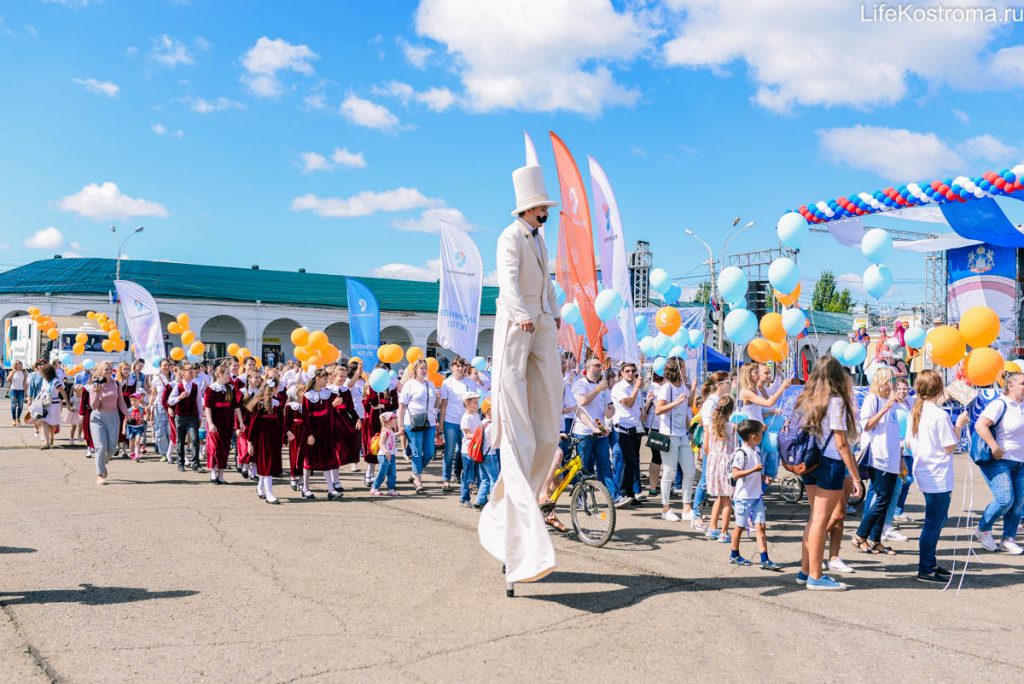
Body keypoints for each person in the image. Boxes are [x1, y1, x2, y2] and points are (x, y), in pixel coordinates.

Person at [479, 162, 561, 588]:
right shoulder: (510, 237)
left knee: (548, 431)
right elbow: (507, 282)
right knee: (516, 417)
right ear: (530, 208)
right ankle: (519, 536)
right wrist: (520, 314)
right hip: (517, 320)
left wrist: (553, 312)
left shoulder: (540, 241)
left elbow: (545, 282)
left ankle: (518, 505)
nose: (546, 212)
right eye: (542, 207)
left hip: (542, 318)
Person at [794, 356, 863, 591]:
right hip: (829, 463)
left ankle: (806, 570)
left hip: (809, 462)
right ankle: (815, 575)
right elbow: (841, 444)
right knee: (821, 521)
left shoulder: (807, 399)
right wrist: (856, 477)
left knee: (815, 518)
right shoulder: (836, 401)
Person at [906, 369, 970, 582]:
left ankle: (930, 562)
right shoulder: (938, 414)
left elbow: (909, 442)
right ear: (938, 389)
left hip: (925, 471)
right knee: (934, 522)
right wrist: (959, 425)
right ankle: (925, 567)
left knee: (936, 520)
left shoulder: (917, 410)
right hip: (937, 474)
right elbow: (950, 446)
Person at [973, 371, 1024, 555]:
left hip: (1020, 460)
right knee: (1005, 499)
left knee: (1018, 502)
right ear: (1010, 386)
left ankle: (1008, 538)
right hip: (998, 459)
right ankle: (983, 528)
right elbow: (980, 425)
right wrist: (994, 445)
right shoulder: (999, 404)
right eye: (1023, 383)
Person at [853, 367, 902, 554]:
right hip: (877, 455)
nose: (894, 385)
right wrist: (884, 409)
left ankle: (875, 539)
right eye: (891, 380)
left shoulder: (893, 402)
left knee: (887, 498)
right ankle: (860, 534)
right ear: (882, 381)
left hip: (892, 456)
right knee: (881, 498)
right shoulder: (872, 399)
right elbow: (866, 425)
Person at [729, 419, 782, 571]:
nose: (762, 436)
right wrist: (754, 470)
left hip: (756, 496)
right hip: (743, 497)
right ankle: (734, 554)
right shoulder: (741, 453)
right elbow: (735, 474)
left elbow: (757, 472)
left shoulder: (756, 451)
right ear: (753, 437)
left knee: (761, 526)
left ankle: (764, 558)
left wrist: (764, 477)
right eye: (760, 434)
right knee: (739, 527)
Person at [572, 359, 621, 506]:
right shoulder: (580, 384)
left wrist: (610, 412)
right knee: (583, 466)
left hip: (600, 432)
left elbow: (611, 407)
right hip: (583, 432)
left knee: (605, 465)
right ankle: (580, 497)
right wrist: (598, 389)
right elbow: (582, 401)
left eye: (601, 365)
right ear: (588, 367)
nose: (600, 368)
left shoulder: (604, 387)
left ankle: (615, 496)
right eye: (597, 365)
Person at [655, 358, 696, 522]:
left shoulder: (683, 386)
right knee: (669, 472)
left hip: (682, 434)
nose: (685, 369)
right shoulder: (666, 388)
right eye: (683, 367)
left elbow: (688, 405)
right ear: (677, 369)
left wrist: (693, 389)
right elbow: (659, 410)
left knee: (690, 470)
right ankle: (665, 508)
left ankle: (687, 507)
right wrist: (675, 402)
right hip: (669, 434)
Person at [299, 369, 341, 500]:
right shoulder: (308, 396)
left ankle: (330, 488)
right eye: (324, 378)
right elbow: (305, 417)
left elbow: (330, 413)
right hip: (313, 430)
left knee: (327, 459)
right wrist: (309, 434)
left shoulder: (327, 394)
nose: (326, 380)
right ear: (317, 378)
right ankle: (305, 487)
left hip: (325, 431)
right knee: (309, 459)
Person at [440, 357, 481, 491]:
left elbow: (475, 403)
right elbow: (444, 404)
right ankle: (446, 479)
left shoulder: (470, 383)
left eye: (462, 366)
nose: (459, 368)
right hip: (451, 422)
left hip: (466, 422)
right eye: (457, 366)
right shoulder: (447, 383)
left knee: (467, 452)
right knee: (450, 452)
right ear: (452, 368)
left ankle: (469, 481)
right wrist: (441, 424)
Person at [398, 358, 438, 495]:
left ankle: (415, 473)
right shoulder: (409, 385)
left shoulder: (431, 384)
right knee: (416, 451)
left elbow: (435, 405)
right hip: (413, 422)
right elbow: (401, 407)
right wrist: (400, 426)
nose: (424, 370)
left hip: (429, 422)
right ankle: (418, 482)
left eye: (425, 367)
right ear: (415, 370)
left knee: (429, 453)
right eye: (421, 368)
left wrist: (438, 399)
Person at [86, 362, 129, 485]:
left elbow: (120, 401)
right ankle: (99, 475)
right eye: (106, 369)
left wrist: (127, 413)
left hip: (113, 417)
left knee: (112, 448)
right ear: (100, 372)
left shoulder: (116, 384)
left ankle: (103, 461)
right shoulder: (95, 385)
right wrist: (98, 392)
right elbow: (94, 406)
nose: (109, 370)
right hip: (98, 418)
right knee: (100, 447)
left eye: (110, 368)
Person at [611, 362, 645, 507]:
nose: (630, 373)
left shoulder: (633, 387)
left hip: (634, 428)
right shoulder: (619, 388)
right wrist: (637, 388)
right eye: (627, 371)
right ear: (622, 373)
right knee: (626, 461)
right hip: (622, 429)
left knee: (633, 463)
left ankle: (629, 494)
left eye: (633, 371)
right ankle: (622, 492)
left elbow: (638, 406)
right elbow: (628, 403)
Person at [704, 395, 736, 543]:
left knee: (718, 497)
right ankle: (724, 532)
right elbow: (735, 447)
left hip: (713, 462)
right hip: (726, 462)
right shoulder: (732, 427)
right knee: (727, 499)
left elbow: (706, 447)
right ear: (731, 411)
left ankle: (712, 527)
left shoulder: (711, 426)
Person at [246, 381, 284, 504]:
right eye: (278, 388)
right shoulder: (259, 404)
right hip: (262, 438)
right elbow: (253, 424)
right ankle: (269, 493)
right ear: (274, 389)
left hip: (274, 438)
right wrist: (249, 442)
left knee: (270, 464)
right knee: (266, 464)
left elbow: (280, 422)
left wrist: (286, 433)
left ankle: (260, 487)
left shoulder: (277, 403)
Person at [204, 366, 243, 485]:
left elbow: (236, 407)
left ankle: (221, 475)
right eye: (227, 373)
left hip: (227, 422)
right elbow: (208, 407)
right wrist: (210, 423)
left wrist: (240, 422)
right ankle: (213, 472)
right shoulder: (211, 389)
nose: (229, 376)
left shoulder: (230, 388)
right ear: (219, 374)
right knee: (215, 447)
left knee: (225, 448)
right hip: (216, 421)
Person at [362, 363, 398, 487]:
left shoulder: (391, 387)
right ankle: (369, 473)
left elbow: (395, 405)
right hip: (373, 421)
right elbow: (367, 405)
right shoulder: (371, 386)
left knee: (387, 448)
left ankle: (388, 475)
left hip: (387, 423)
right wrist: (370, 394)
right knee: (374, 446)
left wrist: (383, 405)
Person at [167, 363, 201, 472]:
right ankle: (180, 463)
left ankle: (195, 463)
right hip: (181, 416)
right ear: (183, 373)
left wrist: (199, 417)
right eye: (189, 371)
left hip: (193, 416)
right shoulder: (178, 386)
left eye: (192, 371)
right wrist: (179, 397)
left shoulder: (196, 386)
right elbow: (169, 401)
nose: (191, 373)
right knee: (180, 440)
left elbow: (199, 403)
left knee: (195, 438)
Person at [33, 363, 66, 450]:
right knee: (44, 421)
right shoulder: (45, 381)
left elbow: (62, 392)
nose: (42, 374)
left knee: (52, 423)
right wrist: (36, 400)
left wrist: (68, 403)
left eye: (43, 372)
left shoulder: (56, 381)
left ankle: (55, 429)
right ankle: (46, 443)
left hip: (54, 405)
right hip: (45, 404)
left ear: (48, 372)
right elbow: (41, 392)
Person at [474, 398, 499, 509]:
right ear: (488, 410)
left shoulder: (482, 423)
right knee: (494, 479)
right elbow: (495, 442)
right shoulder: (492, 425)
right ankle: (494, 503)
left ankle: (479, 500)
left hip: (482, 455)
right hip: (491, 455)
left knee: (485, 479)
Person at [459, 393, 482, 507]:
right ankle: (464, 499)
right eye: (474, 402)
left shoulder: (476, 415)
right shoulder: (466, 417)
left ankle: (479, 499)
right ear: (467, 403)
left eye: (477, 402)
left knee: (477, 474)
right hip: (468, 450)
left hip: (476, 449)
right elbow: (467, 434)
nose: (476, 405)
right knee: (468, 475)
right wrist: (480, 436)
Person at [370, 411, 401, 496]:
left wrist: (399, 433)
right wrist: (386, 451)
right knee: (382, 472)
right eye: (394, 419)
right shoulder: (384, 432)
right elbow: (381, 443)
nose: (396, 421)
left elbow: (393, 436)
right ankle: (374, 488)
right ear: (388, 421)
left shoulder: (390, 431)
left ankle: (391, 489)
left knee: (392, 472)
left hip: (391, 455)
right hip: (384, 455)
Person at [122, 392, 148, 461]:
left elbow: (145, 418)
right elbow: (125, 420)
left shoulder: (141, 409)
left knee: (137, 441)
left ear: (139, 401)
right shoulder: (129, 410)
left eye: (135, 400)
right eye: (132, 401)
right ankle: (132, 452)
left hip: (139, 428)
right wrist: (123, 429)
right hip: (131, 428)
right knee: (131, 443)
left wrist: (145, 418)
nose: (133, 402)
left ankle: (137, 455)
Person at [8, 360, 28, 426]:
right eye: (19, 364)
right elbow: (8, 379)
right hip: (13, 390)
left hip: (21, 391)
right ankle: (13, 419)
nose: (20, 366)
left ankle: (18, 418)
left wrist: (26, 392)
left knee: (21, 405)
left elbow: (24, 383)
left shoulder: (24, 373)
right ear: (15, 365)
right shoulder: (12, 371)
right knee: (13, 405)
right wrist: (13, 372)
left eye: (21, 364)